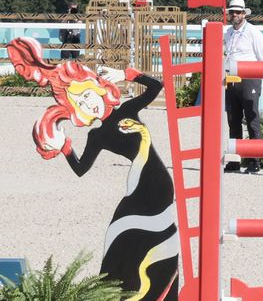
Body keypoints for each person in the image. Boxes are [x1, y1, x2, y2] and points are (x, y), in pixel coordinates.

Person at [8, 37, 179, 299]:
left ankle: (158, 287)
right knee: (118, 236)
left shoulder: (127, 110)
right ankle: (121, 292)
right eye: (81, 104)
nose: (89, 104)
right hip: (136, 186)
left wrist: (124, 73)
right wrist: (64, 146)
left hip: (155, 181)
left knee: (140, 232)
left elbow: (156, 86)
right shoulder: (96, 137)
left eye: (87, 95)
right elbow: (80, 169)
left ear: (96, 88)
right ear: (77, 111)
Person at [223, 0, 263, 174]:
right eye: (232, 12)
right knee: (233, 120)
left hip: (250, 78)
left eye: (237, 12)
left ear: (244, 14)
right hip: (232, 79)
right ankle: (235, 160)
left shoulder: (254, 32)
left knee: (252, 118)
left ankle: (255, 160)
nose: (234, 15)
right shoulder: (228, 32)